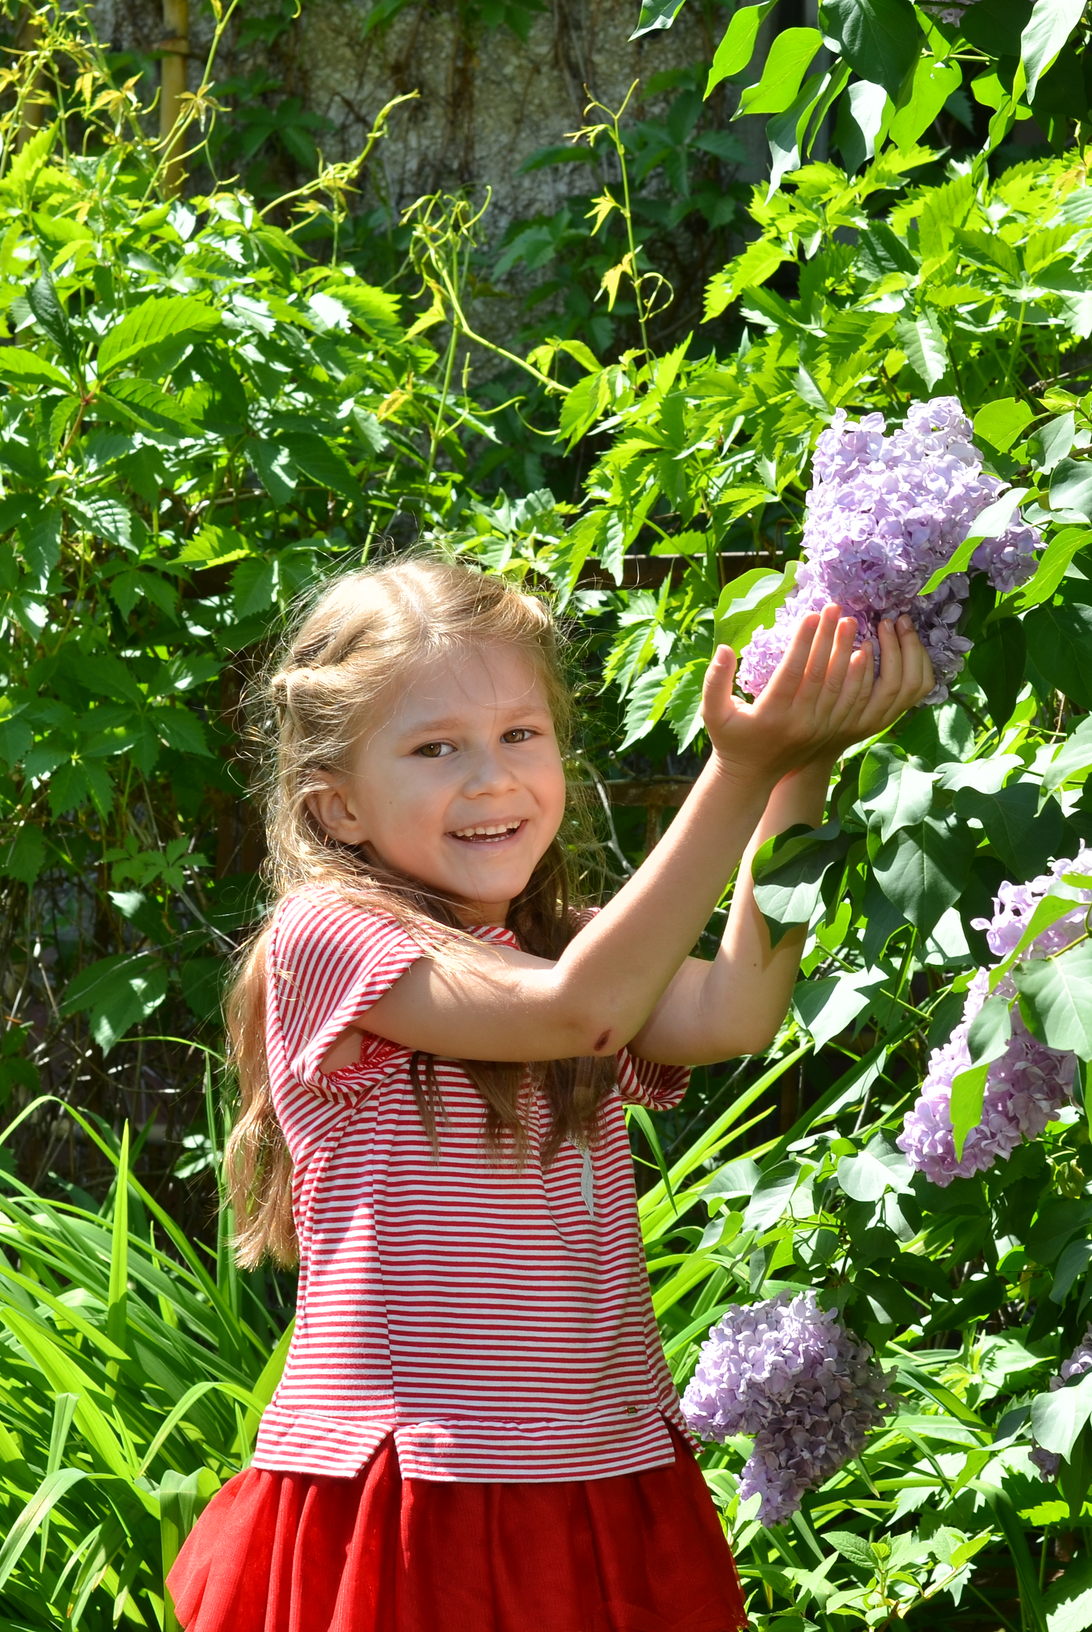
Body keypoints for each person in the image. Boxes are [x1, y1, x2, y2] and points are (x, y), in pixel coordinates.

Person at [168, 555, 929, 1632]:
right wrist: (735, 771)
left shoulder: (552, 948)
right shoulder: (330, 938)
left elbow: (734, 1015)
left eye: (520, 736)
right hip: (417, 1491)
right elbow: (584, 1012)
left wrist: (799, 765)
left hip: (595, 1466)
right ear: (335, 808)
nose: (491, 780)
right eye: (436, 749)